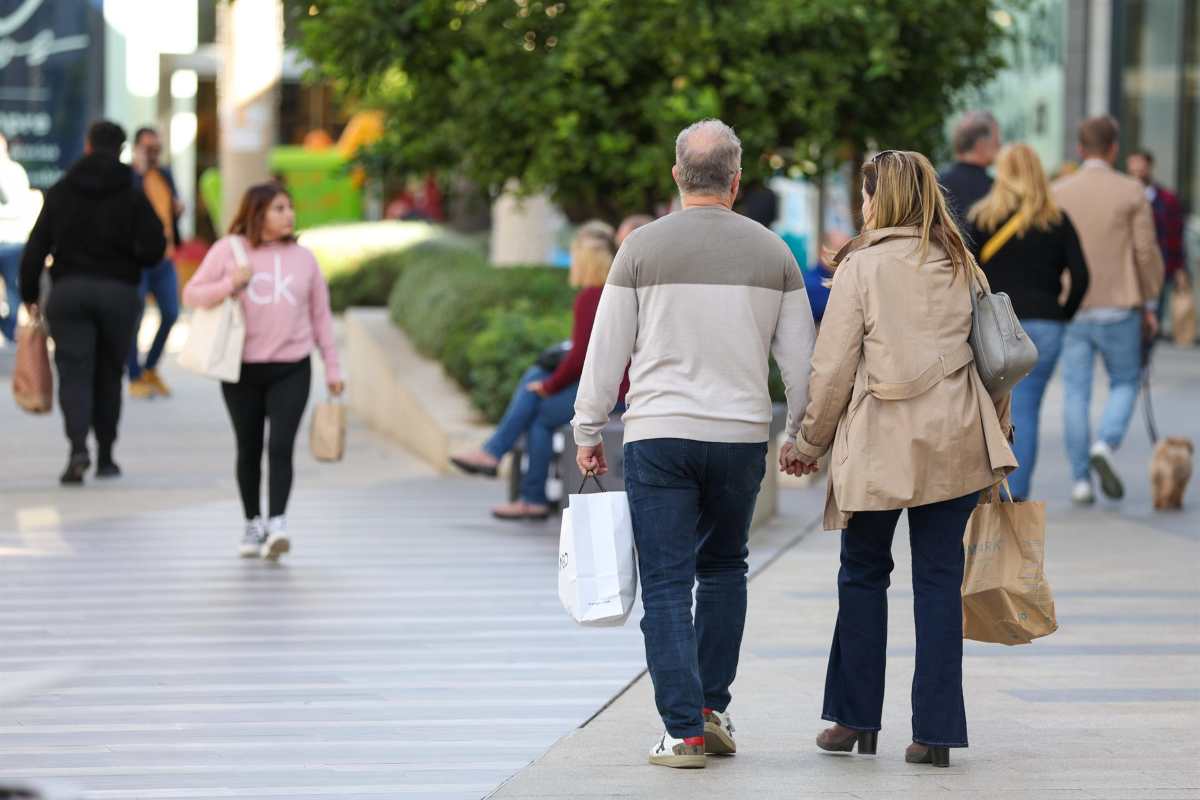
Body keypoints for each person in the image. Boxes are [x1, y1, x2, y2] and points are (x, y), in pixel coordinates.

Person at [573, 119, 817, 769]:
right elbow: (802, 362)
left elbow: (606, 348)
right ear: (736, 182)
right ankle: (710, 710)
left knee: (666, 582)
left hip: (659, 435)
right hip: (739, 438)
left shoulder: (640, 248)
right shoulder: (774, 252)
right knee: (725, 568)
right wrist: (802, 435)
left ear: (678, 175)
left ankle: (682, 732)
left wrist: (588, 429)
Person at [783, 150, 1015, 769]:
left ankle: (853, 719)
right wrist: (999, 431)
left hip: (879, 444)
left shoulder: (860, 266)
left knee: (863, 574)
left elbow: (832, 369)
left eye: (864, 196)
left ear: (876, 200)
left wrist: (808, 443)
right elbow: (996, 354)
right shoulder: (962, 263)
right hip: (957, 440)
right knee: (939, 582)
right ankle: (935, 732)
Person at [182, 183, 343, 560]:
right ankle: (252, 523)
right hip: (241, 368)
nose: (289, 215)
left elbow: (321, 316)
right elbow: (192, 294)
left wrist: (333, 367)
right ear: (257, 214)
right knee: (249, 447)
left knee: (281, 446)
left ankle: (278, 523)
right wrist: (230, 283)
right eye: (279, 209)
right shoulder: (229, 250)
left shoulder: (304, 259)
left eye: (290, 207)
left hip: (292, 367)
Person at [449, 222, 628, 520]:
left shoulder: (592, 297)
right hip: (618, 387)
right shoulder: (616, 293)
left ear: (587, 261)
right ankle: (505, 467)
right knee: (536, 383)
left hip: (612, 392)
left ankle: (513, 476)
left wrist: (549, 387)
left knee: (540, 413)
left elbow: (581, 357)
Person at [20, 121, 166, 484]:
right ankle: (106, 456)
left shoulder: (63, 189)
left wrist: (29, 294)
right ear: (121, 149)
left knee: (74, 373)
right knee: (109, 374)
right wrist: (130, 259)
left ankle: (77, 449)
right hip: (119, 293)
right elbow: (155, 248)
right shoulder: (132, 191)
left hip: (69, 292)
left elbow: (36, 247)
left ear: (87, 146)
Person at [965, 143, 1090, 501]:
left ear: (1001, 174)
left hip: (993, 329)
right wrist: (1061, 314)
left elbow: (965, 275)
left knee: (988, 409)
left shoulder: (981, 218)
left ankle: (987, 491)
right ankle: (1015, 495)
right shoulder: (1057, 220)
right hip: (1045, 326)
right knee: (1027, 409)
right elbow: (1081, 276)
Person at [1052, 117, 1163, 504]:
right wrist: (1151, 299)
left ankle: (1081, 480)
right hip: (1120, 304)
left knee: (1075, 393)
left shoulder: (1059, 191)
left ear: (1080, 149)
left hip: (1073, 306)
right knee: (1126, 381)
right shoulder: (1132, 191)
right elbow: (1145, 251)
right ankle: (1105, 443)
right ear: (1114, 148)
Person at [127, 127, 184, 399]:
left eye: (157, 149)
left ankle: (150, 367)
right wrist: (139, 171)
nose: (153, 154)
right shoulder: (129, 176)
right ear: (136, 148)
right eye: (148, 148)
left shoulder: (165, 174)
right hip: (137, 260)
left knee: (171, 313)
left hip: (165, 257)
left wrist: (178, 210)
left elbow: (169, 208)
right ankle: (134, 375)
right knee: (134, 317)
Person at [1126, 149, 1189, 327]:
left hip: (1159, 268)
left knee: (1154, 322)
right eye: (1133, 170)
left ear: (1149, 168)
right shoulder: (1121, 198)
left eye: (1141, 169)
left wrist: (1180, 269)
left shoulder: (1167, 200)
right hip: (1128, 270)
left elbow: (1176, 236)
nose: (1137, 175)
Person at [939, 111, 1000, 224]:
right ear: (981, 143)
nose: (1000, 144)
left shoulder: (937, 183)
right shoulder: (994, 189)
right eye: (996, 139)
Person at [0, 132, 32, 344]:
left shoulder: (15, 172)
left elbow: (21, 207)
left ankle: (10, 333)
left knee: (13, 293)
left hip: (12, 242)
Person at [805, 230, 852, 324]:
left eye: (849, 253)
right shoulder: (810, 283)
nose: (846, 258)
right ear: (824, 252)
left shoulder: (846, 279)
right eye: (840, 252)